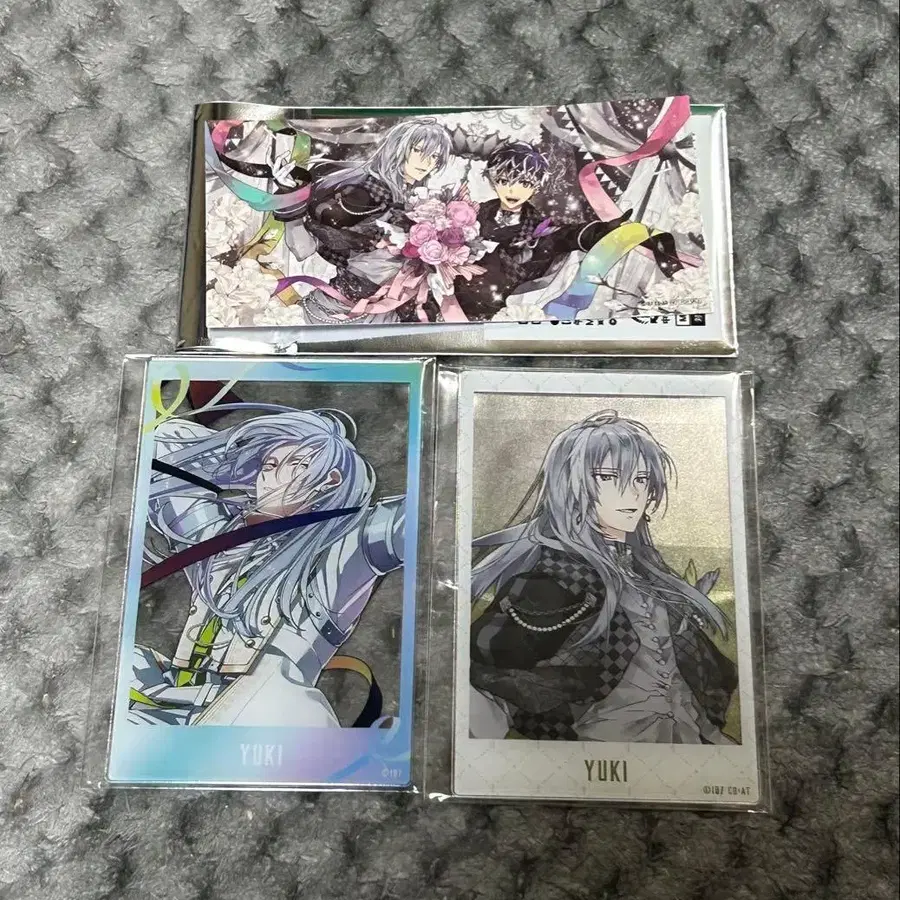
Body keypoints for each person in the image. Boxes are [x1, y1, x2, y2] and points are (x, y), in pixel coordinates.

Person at [469, 410, 737, 744]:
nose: (632, 494)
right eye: (609, 477)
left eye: (641, 480)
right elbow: (487, 674)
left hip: (692, 738)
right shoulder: (552, 580)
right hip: (600, 744)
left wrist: (680, 617)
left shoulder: (646, 573)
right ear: (571, 485)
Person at [129, 406, 404, 728]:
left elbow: (423, 516)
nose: (272, 476)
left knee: (278, 705)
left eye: (296, 465)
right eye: (269, 465)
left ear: (331, 480)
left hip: (263, 711)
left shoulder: (349, 542)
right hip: (180, 699)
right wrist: (238, 461)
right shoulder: (218, 535)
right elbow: (164, 439)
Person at [453, 141, 682, 321]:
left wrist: (603, 230)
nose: (513, 190)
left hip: (503, 313)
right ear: (492, 180)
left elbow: (569, 235)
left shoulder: (541, 228)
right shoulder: (469, 214)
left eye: (525, 183)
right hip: (453, 303)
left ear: (537, 185)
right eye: (505, 180)